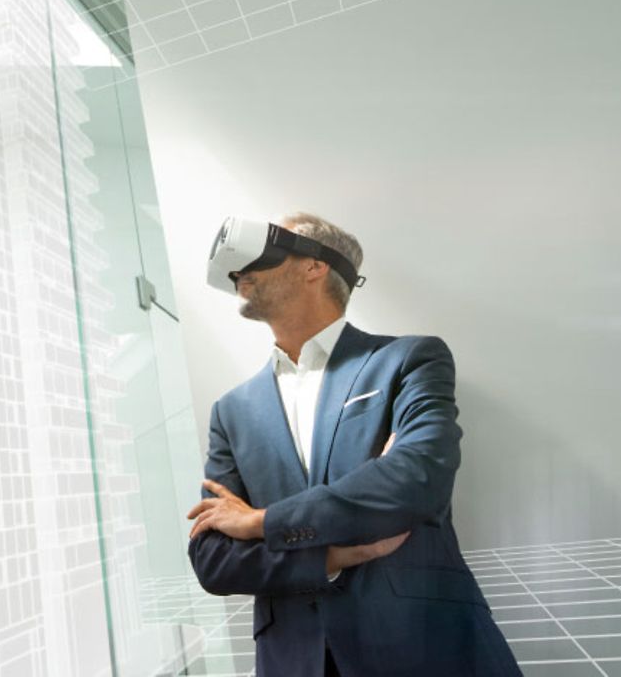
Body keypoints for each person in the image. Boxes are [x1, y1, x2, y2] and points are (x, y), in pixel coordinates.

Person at [186, 213, 520, 677]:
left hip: (423, 645)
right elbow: (214, 558)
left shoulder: (407, 360)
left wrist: (262, 521)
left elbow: (413, 482)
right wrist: (332, 556)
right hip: (294, 658)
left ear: (314, 266)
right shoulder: (232, 410)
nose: (241, 269)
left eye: (268, 248)